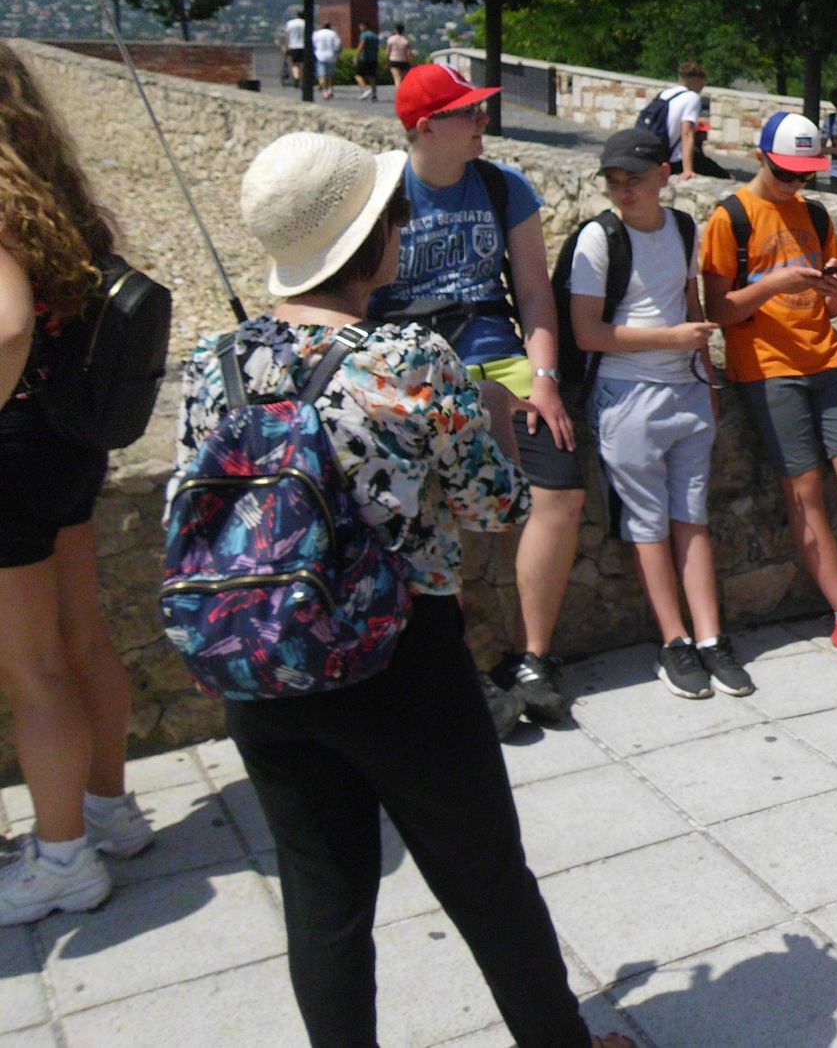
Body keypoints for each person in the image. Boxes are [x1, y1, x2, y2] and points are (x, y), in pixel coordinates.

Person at [177, 130, 631, 1048]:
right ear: (372, 241)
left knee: (322, 897)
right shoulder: (407, 360)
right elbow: (496, 504)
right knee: (486, 879)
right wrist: (487, 415)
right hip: (398, 657)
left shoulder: (211, 363)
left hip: (259, 657)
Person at [371, 63, 587, 725]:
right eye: (468, 112)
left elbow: (534, 296)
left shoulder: (502, 186)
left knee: (561, 485)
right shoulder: (382, 194)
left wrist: (545, 380)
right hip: (415, 367)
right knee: (427, 511)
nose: (482, 121)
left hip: (500, 355)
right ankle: (459, 667)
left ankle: (534, 657)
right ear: (427, 127)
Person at [0, 44, 152, 926]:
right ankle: (108, 812)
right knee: (84, 638)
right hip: (67, 444)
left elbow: (6, 325)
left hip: (11, 454)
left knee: (34, 670)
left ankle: (61, 861)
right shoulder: (54, 197)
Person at [702, 112, 837, 668]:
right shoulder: (731, 218)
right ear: (760, 159)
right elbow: (718, 310)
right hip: (768, 366)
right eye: (786, 173)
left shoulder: (816, 214)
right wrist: (776, 283)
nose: (796, 183)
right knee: (803, 489)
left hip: (826, 356)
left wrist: (832, 290)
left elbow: (835, 304)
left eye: (804, 174)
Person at [568, 129, 745, 699]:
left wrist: (706, 375)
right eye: (615, 182)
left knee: (692, 515)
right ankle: (675, 641)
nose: (624, 191)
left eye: (635, 180)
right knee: (647, 523)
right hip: (628, 395)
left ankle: (711, 638)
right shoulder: (599, 239)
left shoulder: (684, 228)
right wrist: (672, 340)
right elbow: (587, 332)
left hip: (686, 392)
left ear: (664, 177)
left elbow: (690, 303)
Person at [635, 61, 708, 184]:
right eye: (703, 81)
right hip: (672, 159)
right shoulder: (692, 97)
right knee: (724, 176)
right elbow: (687, 133)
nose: (703, 85)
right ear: (696, 80)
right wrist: (687, 170)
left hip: (652, 152)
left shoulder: (666, 93)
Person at [312, 17, 341, 102]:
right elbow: (338, 44)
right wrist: (336, 52)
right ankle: (330, 90)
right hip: (331, 56)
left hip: (320, 56)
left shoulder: (317, 34)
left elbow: (313, 44)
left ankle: (324, 91)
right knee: (330, 75)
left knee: (322, 75)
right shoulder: (333, 34)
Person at [352, 22, 381, 101]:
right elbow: (377, 48)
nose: (360, 28)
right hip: (373, 59)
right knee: (372, 77)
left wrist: (356, 57)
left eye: (360, 26)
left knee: (357, 75)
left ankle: (366, 89)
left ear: (364, 26)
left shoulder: (364, 35)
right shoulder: (374, 36)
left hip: (364, 58)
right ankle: (374, 95)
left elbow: (361, 46)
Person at [384, 21, 414, 86]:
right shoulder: (405, 40)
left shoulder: (391, 39)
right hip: (404, 61)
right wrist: (411, 63)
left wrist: (387, 61)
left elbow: (388, 52)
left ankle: (398, 91)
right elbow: (409, 53)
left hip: (393, 60)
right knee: (403, 79)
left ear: (396, 30)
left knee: (397, 78)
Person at [282, 9, 307, 85]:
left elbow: (287, 36)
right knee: (302, 63)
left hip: (293, 46)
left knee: (295, 64)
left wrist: (286, 46)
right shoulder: (305, 23)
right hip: (304, 46)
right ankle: (302, 78)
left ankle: (296, 77)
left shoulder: (290, 23)